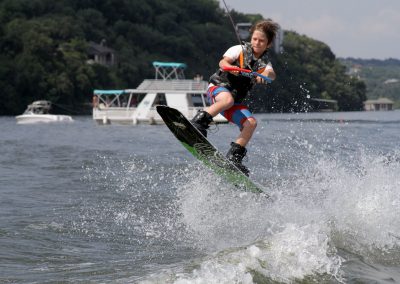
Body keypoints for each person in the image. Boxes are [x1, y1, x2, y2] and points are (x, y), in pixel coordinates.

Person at [191, 19, 279, 176]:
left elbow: (271, 75)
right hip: (218, 89)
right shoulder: (238, 49)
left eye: (262, 41)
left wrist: (262, 75)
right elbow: (223, 62)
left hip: (233, 102)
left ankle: (234, 157)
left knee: (251, 123)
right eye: (255, 39)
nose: (257, 43)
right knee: (227, 99)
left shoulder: (264, 63)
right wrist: (232, 68)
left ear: (269, 44)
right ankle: (199, 123)